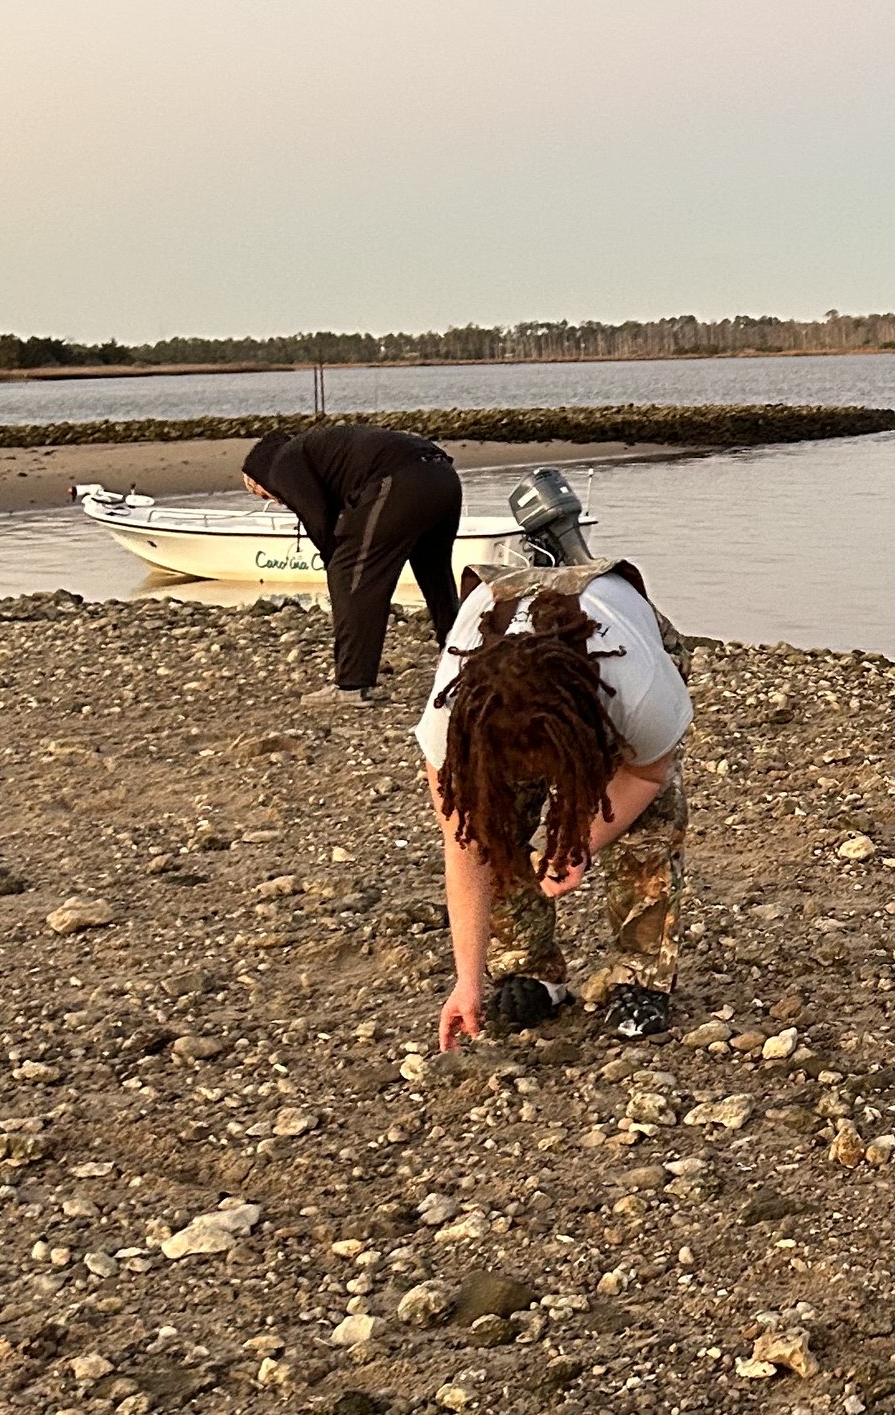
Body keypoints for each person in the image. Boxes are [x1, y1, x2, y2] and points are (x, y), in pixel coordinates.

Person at [416, 556, 693, 1051]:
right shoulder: (449, 724)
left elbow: (647, 773)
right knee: (494, 828)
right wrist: (468, 980)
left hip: (614, 662)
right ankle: (529, 971)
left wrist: (580, 844)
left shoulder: (639, 690)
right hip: (501, 708)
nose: (536, 777)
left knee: (649, 827)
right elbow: (466, 851)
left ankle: (640, 976)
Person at [241, 422, 464, 702]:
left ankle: (351, 685)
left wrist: (334, 561)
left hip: (401, 479)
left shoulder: (280, 465)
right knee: (435, 573)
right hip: (443, 476)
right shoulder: (314, 451)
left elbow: (319, 520)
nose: (274, 501)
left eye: (260, 492)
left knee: (349, 573)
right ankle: (461, 657)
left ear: (258, 474)